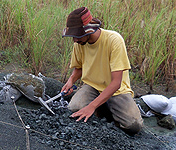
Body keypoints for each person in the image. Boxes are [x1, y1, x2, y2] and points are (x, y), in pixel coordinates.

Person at [61, 7, 143, 135]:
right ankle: (102, 106)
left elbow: (116, 83)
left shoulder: (114, 40)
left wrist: (91, 106)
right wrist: (71, 80)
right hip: (92, 86)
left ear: (89, 30)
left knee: (133, 126)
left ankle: (104, 106)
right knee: (74, 109)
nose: (75, 40)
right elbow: (79, 67)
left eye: (77, 35)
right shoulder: (79, 43)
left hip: (117, 91)